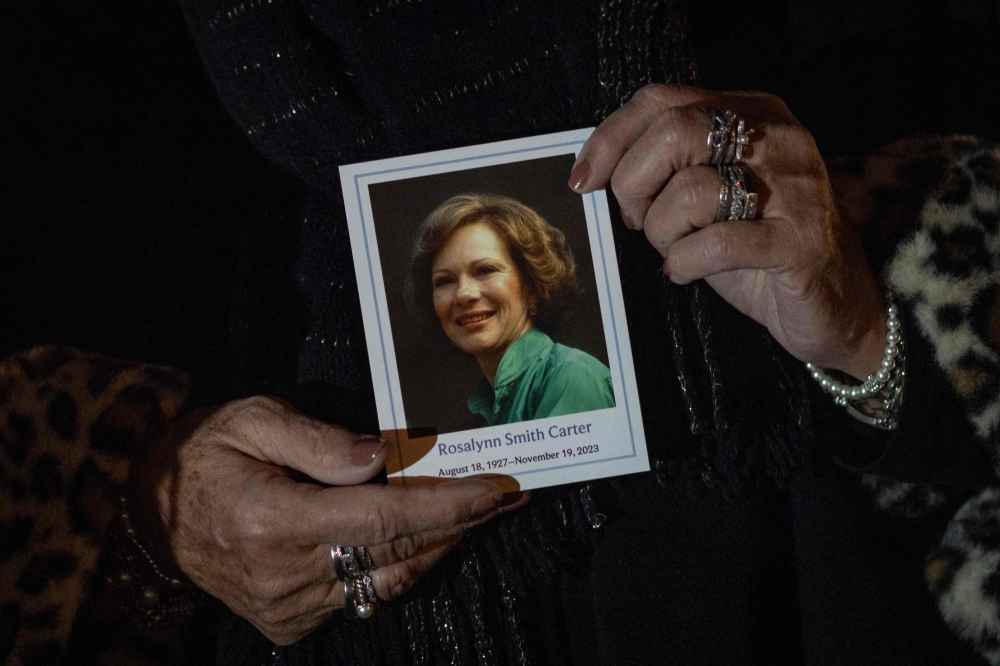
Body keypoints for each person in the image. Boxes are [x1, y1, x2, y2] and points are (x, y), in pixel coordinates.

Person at [4, 1, 1000, 665]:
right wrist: (151, 498)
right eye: (448, 277)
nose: (470, 297)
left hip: (787, 564)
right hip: (323, 600)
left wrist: (865, 334)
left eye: (490, 270)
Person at [409, 194, 615, 427]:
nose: (464, 294)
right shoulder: (489, 403)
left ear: (532, 286)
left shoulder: (573, 377)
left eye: (485, 270)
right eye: (444, 281)